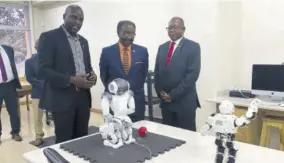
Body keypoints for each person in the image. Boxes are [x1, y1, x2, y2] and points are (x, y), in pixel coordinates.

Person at [38, 5, 97, 143]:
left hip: (83, 97)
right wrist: (72, 80)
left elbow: (87, 67)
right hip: (62, 99)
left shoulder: (84, 41)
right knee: (64, 141)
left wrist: (92, 75)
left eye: (81, 19)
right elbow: (43, 70)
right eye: (73, 17)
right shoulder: (49, 37)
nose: (77, 22)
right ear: (64, 17)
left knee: (82, 139)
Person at [154, 17, 201, 131]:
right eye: (169, 27)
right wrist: (160, 92)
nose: (171, 30)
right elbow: (157, 72)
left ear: (183, 29)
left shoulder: (193, 47)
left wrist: (173, 95)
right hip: (166, 103)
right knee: (169, 137)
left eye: (174, 27)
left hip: (184, 102)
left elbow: (192, 75)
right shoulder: (162, 47)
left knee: (188, 138)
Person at [99, 20, 149, 122]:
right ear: (118, 32)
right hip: (114, 104)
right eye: (125, 32)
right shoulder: (107, 52)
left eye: (132, 33)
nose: (129, 36)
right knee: (114, 135)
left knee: (135, 135)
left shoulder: (142, 51)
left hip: (136, 102)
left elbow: (143, 75)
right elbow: (104, 76)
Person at [0, 44, 22, 144]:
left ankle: (15, 132)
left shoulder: (8, 49)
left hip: (10, 84)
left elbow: (12, 67)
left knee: (13, 110)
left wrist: (17, 85)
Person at [25, 39, 45, 146]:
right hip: (38, 91)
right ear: (36, 47)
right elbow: (30, 77)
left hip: (53, 91)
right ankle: (39, 136)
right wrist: (43, 84)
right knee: (37, 116)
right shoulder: (29, 62)